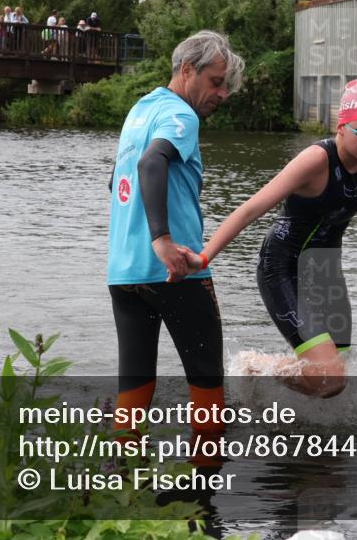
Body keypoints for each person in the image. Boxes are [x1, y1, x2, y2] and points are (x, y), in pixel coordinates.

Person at [179, 79, 357, 398]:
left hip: (325, 273)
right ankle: (255, 365)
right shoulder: (316, 160)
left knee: (335, 371)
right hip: (283, 270)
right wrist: (204, 257)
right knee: (330, 380)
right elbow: (251, 209)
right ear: (342, 126)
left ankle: (310, 433)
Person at [107, 30, 245, 442]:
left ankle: (122, 481)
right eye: (216, 82)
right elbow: (152, 164)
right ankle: (203, 493)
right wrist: (162, 240)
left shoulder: (139, 110)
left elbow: (116, 179)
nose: (221, 93)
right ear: (187, 70)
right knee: (206, 383)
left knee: (135, 383)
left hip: (124, 271)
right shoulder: (181, 116)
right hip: (177, 270)